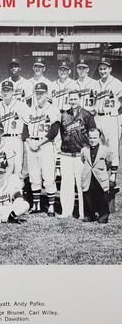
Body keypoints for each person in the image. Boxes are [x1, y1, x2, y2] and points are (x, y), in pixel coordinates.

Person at [22, 82, 61, 216]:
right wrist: (29, 142)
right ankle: (36, 205)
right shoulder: (30, 110)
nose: (38, 95)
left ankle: (51, 206)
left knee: (48, 176)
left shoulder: (53, 109)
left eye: (41, 93)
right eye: (37, 93)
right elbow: (24, 130)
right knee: (34, 175)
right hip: (32, 143)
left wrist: (38, 144)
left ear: (46, 94)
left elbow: (54, 131)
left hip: (46, 145)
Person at [59, 90, 96, 219]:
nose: (73, 101)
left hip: (81, 153)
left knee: (81, 183)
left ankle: (82, 213)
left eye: (75, 99)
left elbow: (93, 133)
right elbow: (60, 134)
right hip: (67, 154)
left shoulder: (86, 114)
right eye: (71, 99)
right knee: (66, 183)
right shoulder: (64, 115)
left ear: (80, 99)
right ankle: (66, 211)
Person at [0, 80, 29, 179]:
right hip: (1, 140)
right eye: (4, 90)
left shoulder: (21, 106)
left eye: (9, 90)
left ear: (13, 91)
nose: (6, 92)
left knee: (17, 167)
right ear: (1, 92)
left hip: (16, 138)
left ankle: (18, 190)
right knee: (2, 166)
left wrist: (24, 139)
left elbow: (27, 124)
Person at [91, 58, 122, 171]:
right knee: (99, 146)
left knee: (113, 147)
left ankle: (113, 175)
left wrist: (117, 115)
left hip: (111, 117)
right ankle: (101, 173)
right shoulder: (95, 84)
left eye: (105, 69)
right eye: (100, 69)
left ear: (110, 69)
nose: (102, 71)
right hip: (98, 117)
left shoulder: (117, 83)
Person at [81, 128, 113, 223]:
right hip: (88, 176)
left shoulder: (105, 150)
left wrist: (102, 170)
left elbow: (109, 162)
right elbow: (83, 160)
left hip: (100, 177)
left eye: (95, 138)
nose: (92, 140)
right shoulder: (84, 150)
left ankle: (103, 216)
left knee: (102, 197)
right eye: (90, 138)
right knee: (88, 196)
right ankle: (89, 215)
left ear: (99, 138)